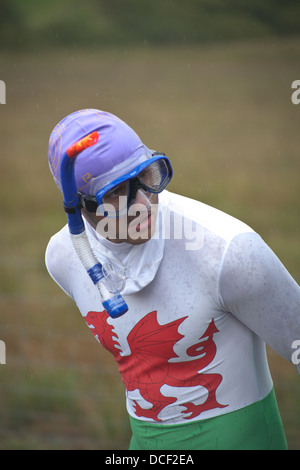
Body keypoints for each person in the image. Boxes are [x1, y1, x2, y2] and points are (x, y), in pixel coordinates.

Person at [46, 108, 300, 450]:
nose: (143, 204)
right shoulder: (62, 257)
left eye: (149, 176)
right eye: (116, 192)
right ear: (77, 207)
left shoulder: (229, 253)